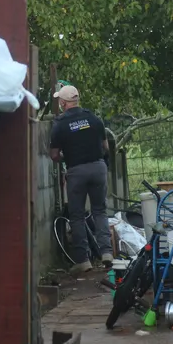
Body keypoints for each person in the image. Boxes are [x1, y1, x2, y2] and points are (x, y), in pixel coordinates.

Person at [49, 85, 114, 275]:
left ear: (63, 103)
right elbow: (105, 146)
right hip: (98, 167)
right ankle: (107, 253)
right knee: (100, 211)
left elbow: (53, 155)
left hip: (76, 171)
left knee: (76, 216)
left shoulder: (60, 124)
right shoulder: (93, 118)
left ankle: (83, 260)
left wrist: (67, 157)